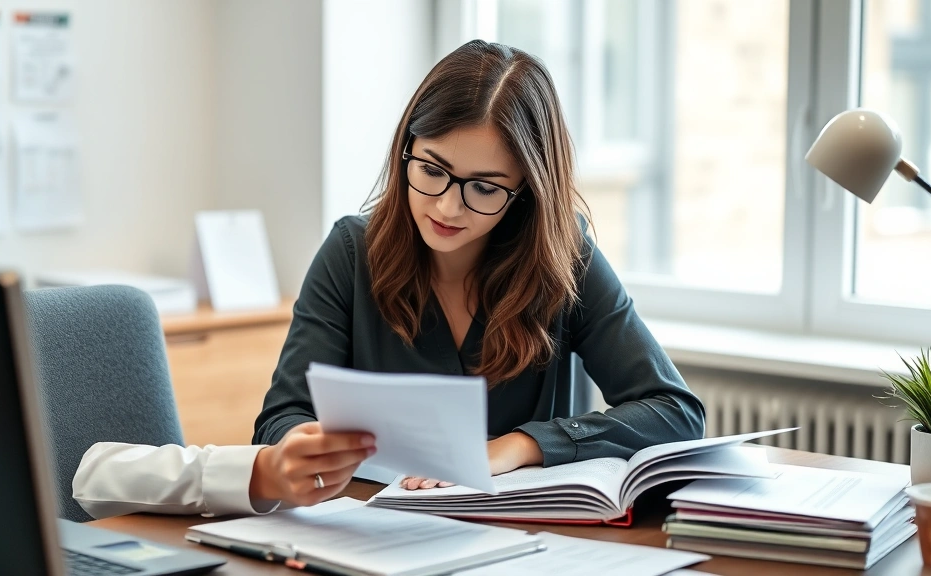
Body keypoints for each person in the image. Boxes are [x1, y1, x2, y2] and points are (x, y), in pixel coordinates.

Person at [72, 40, 705, 519]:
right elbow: (282, 417)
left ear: (526, 194)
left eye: (484, 187)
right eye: (431, 168)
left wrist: (516, 447)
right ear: (406, 147)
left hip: (523, 545)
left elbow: (675, 411)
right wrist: (297, 451)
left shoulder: (565, 256)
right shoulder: (352, 250)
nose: (448, 207)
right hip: (373, 535)